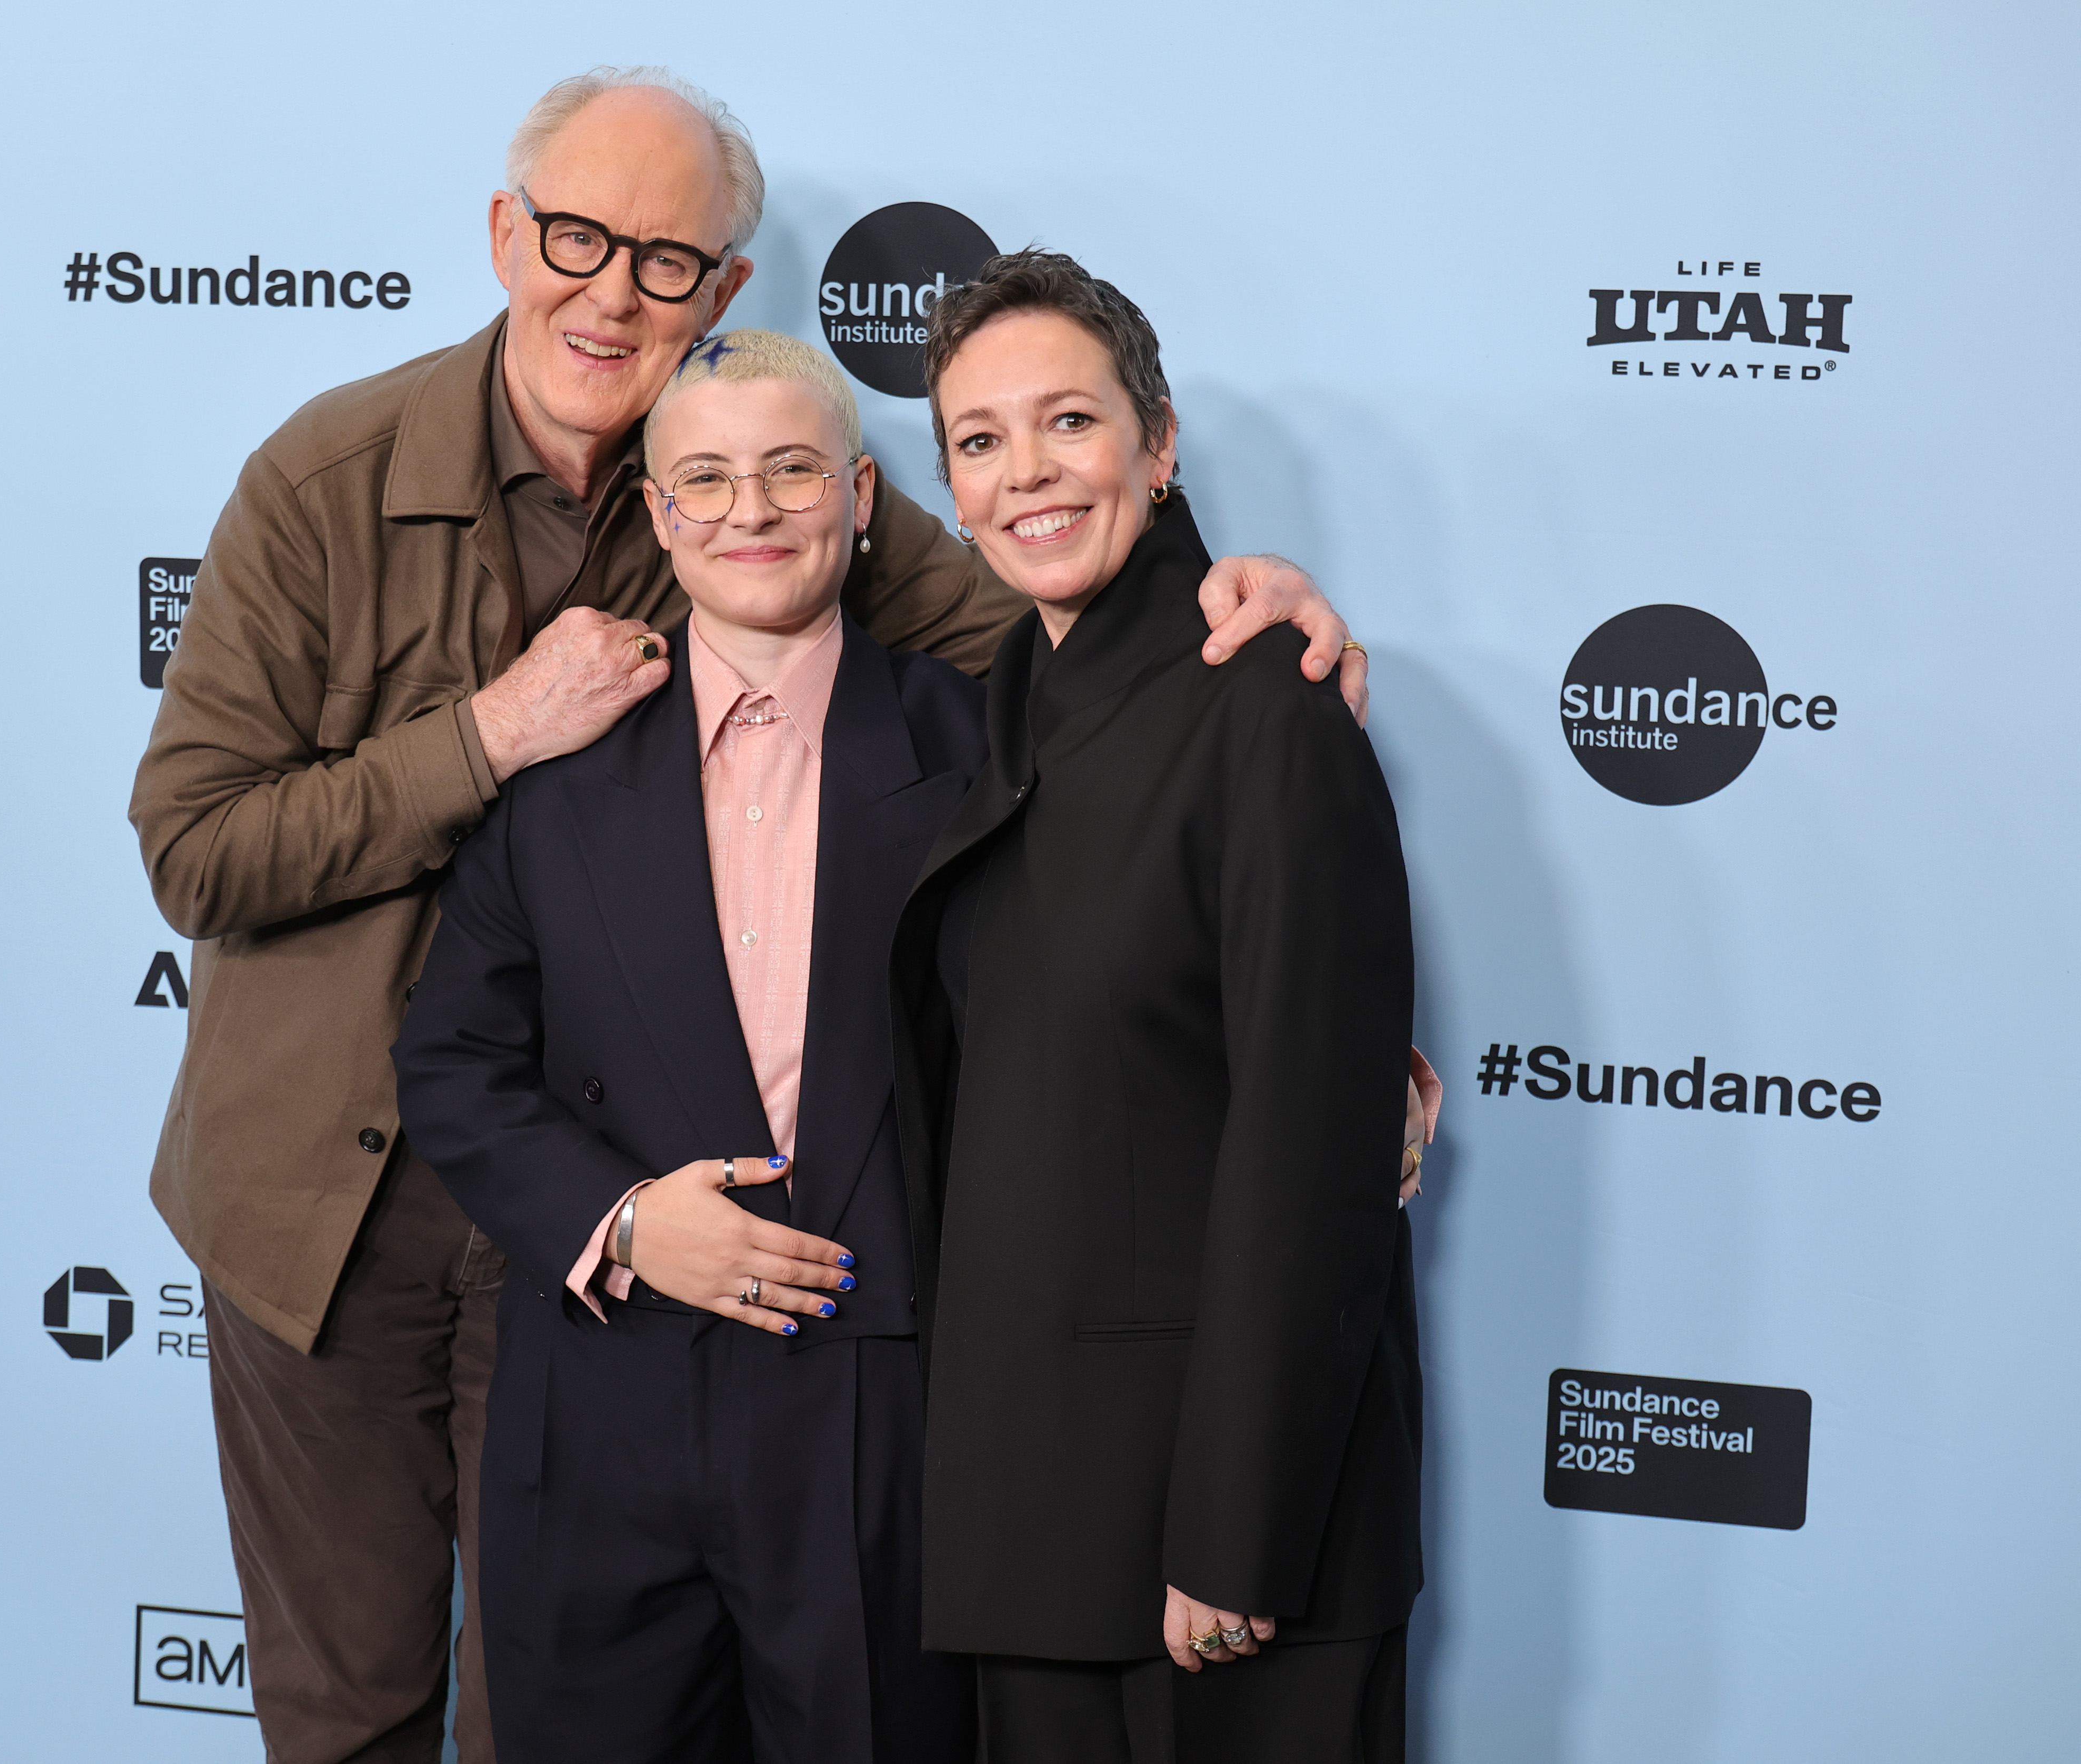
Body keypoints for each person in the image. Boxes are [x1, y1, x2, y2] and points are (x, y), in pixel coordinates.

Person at [129, 66, 1362, 1763]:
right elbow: (195, 846)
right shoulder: (327, 477)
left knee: (536, 1712)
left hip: (612, 1267)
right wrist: (488, 735)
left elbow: (1055, 603)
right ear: (507, 236)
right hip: (320, 1217)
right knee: (344, 1704)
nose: (614, 289)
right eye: (578, 236)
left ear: (725, 294)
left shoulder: (763, 472)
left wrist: (1229, 597)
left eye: (671, 259)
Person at [393, 330, 982, 1762]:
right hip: (602, 1402)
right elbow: (456, 1057)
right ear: (659, 517)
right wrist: (624, 1219)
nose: (751, 511)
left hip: (878, 1395)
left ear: (857, 495)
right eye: (705, 479)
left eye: (791, 471)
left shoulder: (981, 745)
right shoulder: (562, 765)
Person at [888, 251, 1424, 1763]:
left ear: (1161, 443)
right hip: (1035, 1525)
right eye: (979, 443)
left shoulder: (1264, 704)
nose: (1025, 475)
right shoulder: (1006, 695)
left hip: (1224, 1553)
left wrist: (1239, 1534)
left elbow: (1313, 1145)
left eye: (1070, 422)